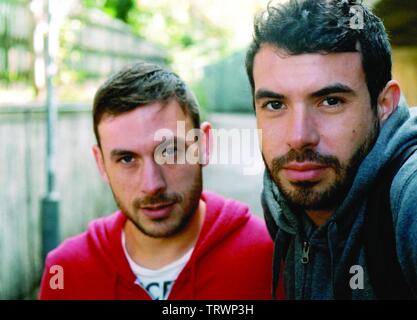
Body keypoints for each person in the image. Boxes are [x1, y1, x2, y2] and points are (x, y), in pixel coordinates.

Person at [39, 62, 274, 300]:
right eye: (127, 158)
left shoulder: (269, 256)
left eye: (170, 151)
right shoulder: (66, 272)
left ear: (203, 145)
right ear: (101, 163)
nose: (152, 185)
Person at [245, 0, 417, 299]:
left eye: (331, 101)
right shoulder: (279, 196)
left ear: (384, 104)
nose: (298, 138)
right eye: (275, 105)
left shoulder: (408, 197)